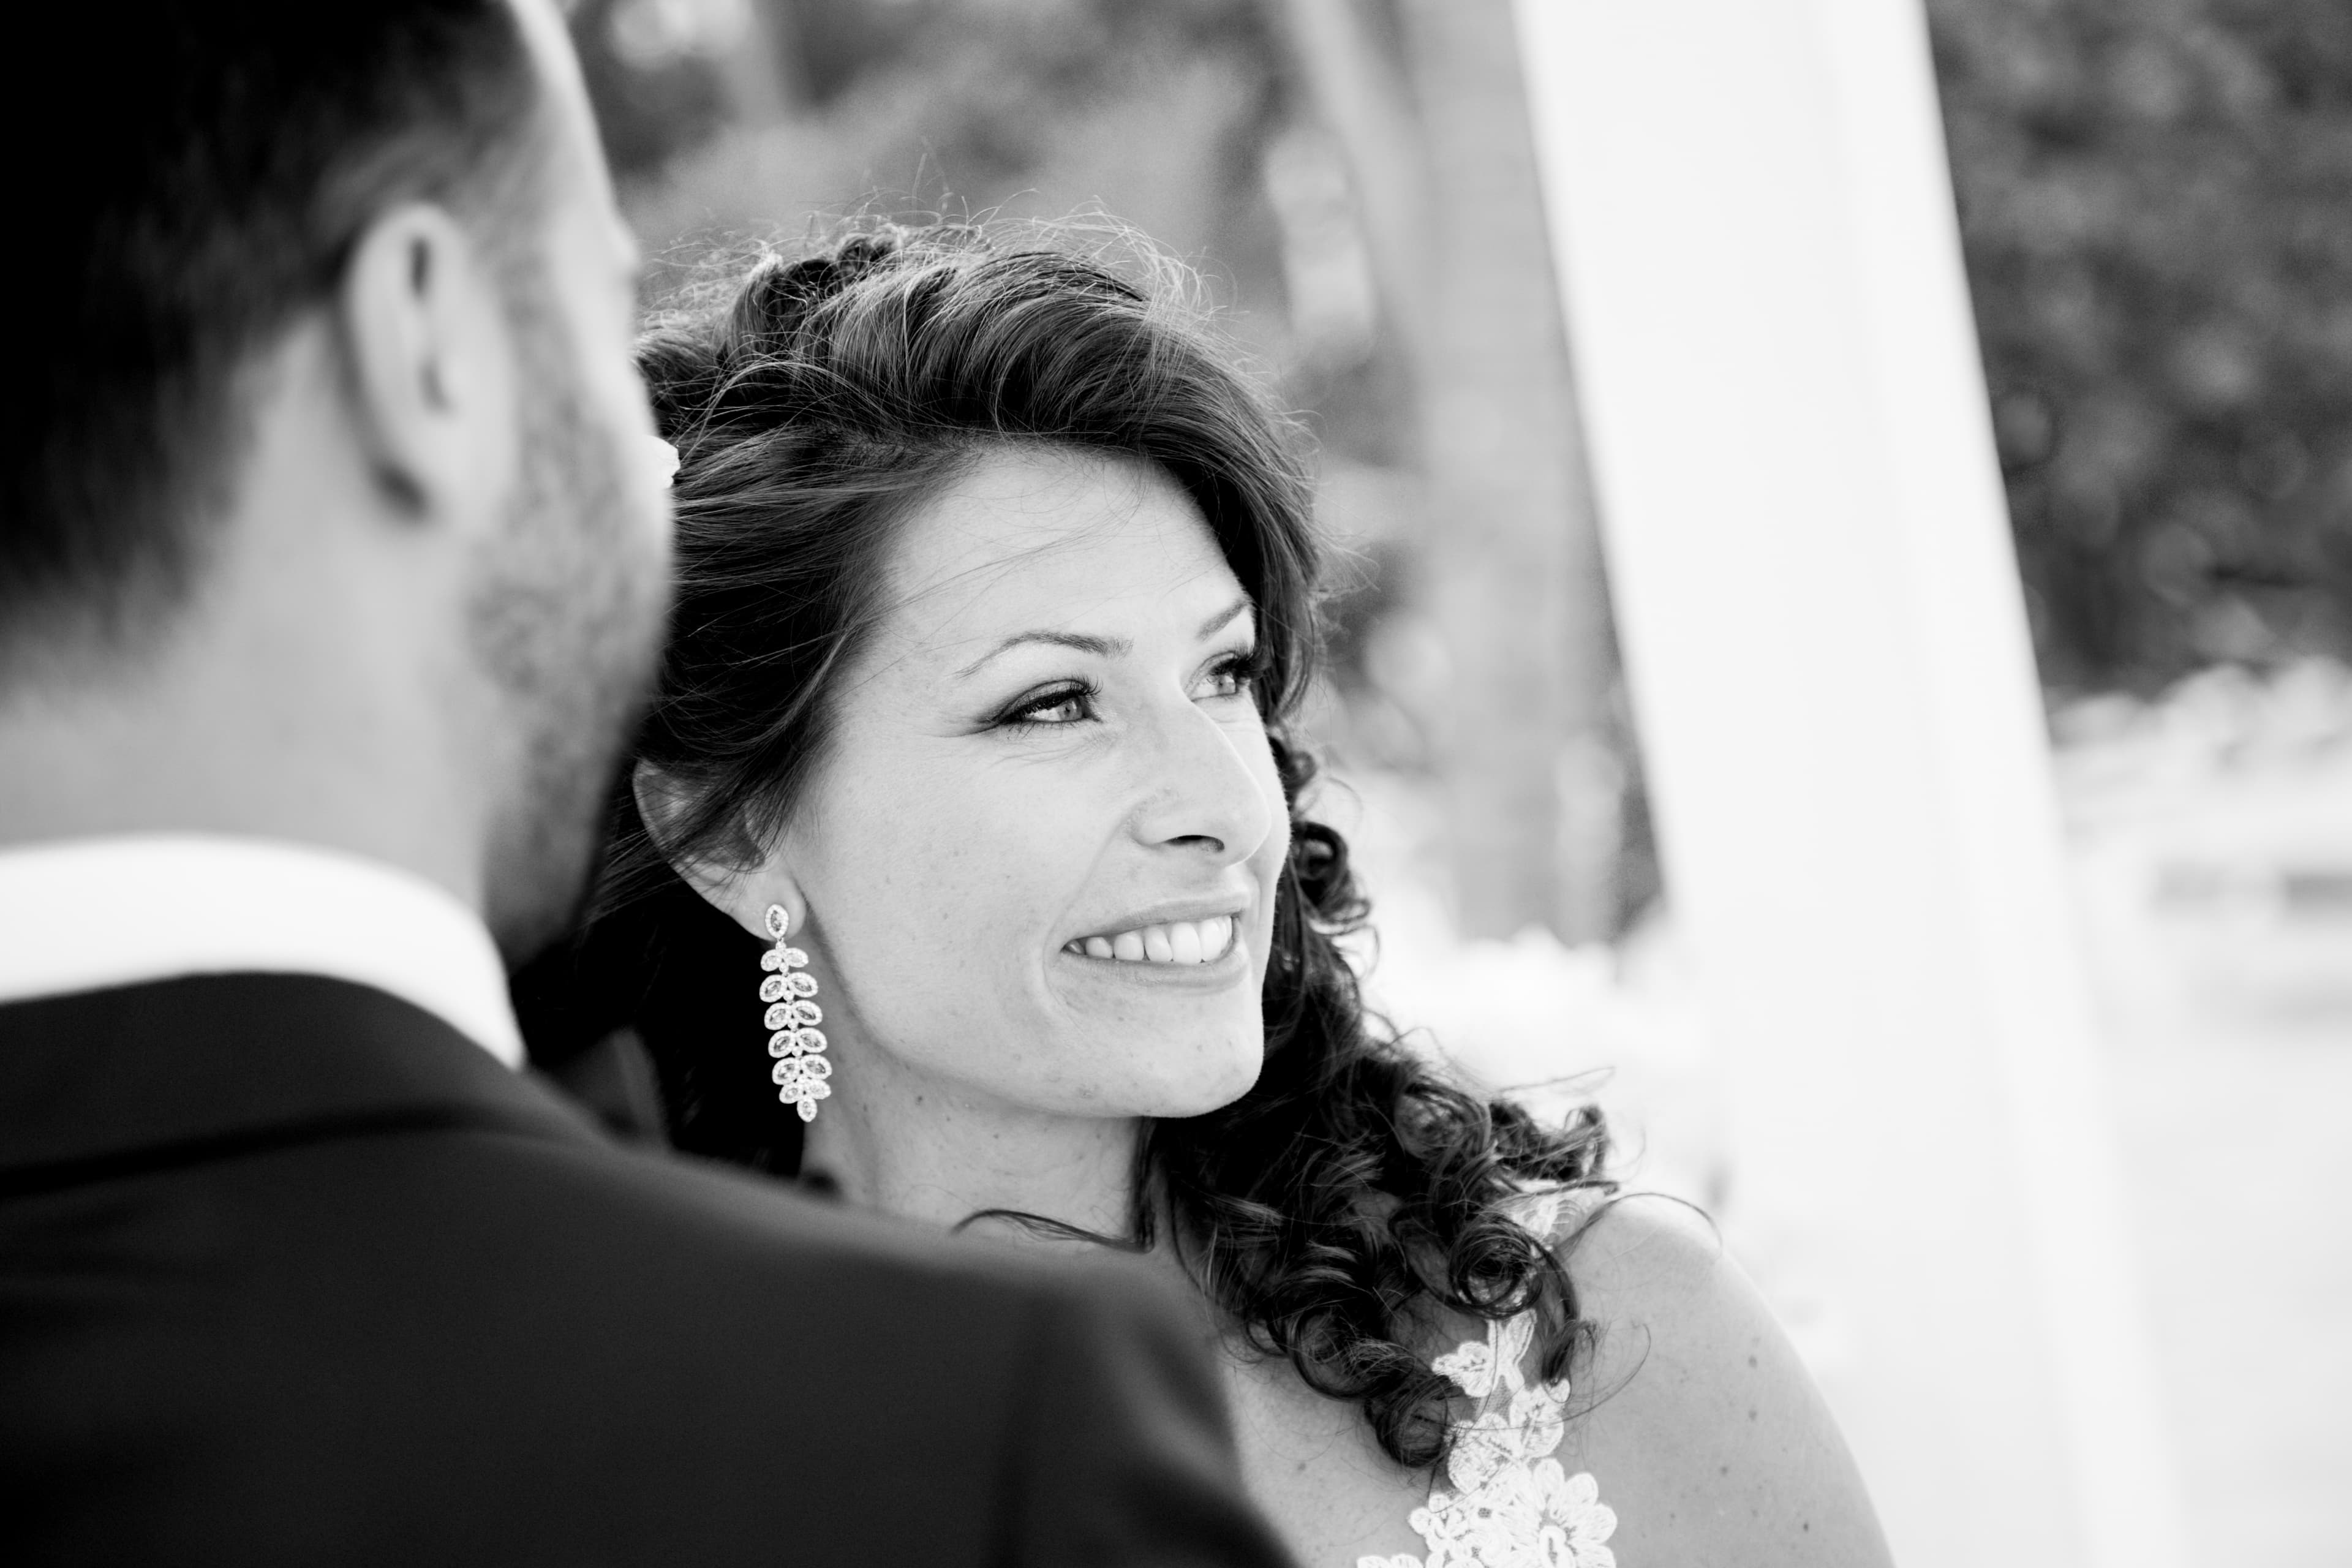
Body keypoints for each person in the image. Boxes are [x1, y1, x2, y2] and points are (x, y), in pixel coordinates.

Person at [0, 7, 1297, 1566]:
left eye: (1227, 673)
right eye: (1047, 702)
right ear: (427, 340)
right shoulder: (956, 1436)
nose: (658, 470)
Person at [543, 224, 1898, 1567]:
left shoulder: (1604, 1342)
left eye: (1224, 674)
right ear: (729, 833)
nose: (1223, 801)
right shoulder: (622, 1477)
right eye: (1052, 701)